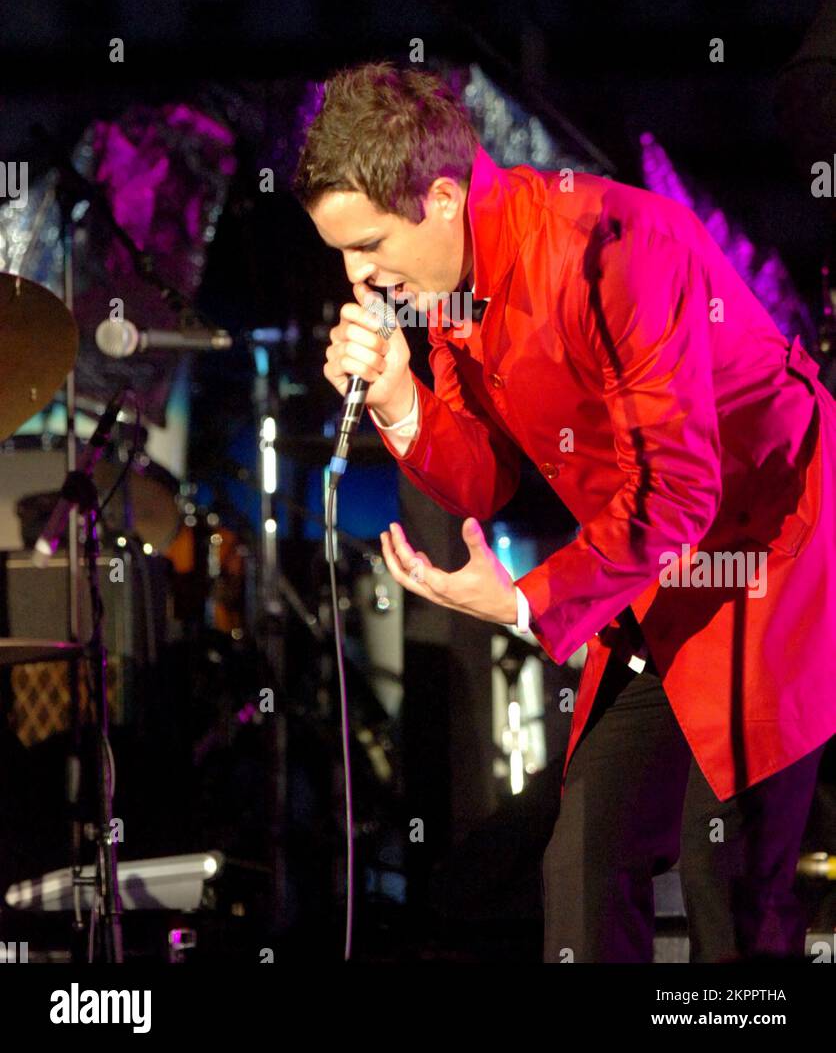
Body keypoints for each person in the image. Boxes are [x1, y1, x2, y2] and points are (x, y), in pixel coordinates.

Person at [292, 61, 836, 963]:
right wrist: (401, 402)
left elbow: (681, 490)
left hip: (770, 548)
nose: (360, 276)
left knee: (726, 878)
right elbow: (485, 479)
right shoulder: (448, 281)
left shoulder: (614, 245)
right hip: (654, 568)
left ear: (437, 197)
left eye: (370, 244)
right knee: (585, 856)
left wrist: (524, 604)